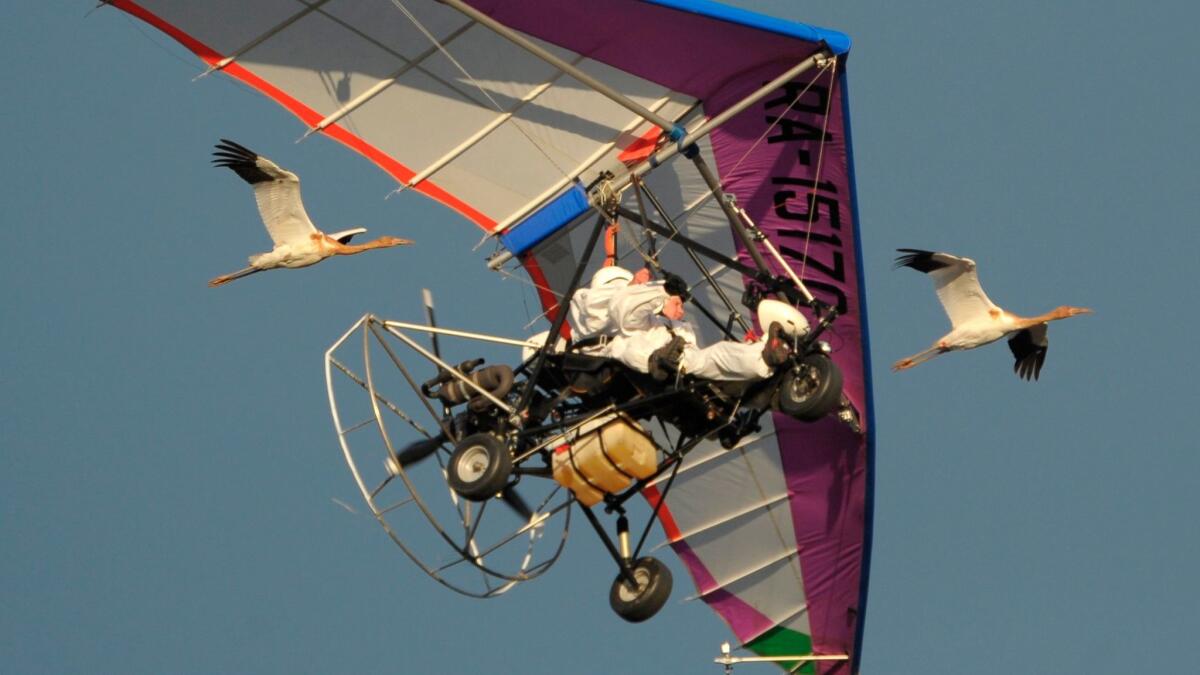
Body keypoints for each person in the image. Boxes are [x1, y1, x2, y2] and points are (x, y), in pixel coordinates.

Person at [605, 270, 791, 381]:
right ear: (663, 303)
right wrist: (661, 289)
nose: (681, 311)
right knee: (719, 352)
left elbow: (705, 359)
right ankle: (764, 356)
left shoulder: (682, 329)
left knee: (722, 354)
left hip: (687, 365)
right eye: (677, 304)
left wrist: (746, 348)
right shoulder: (647, 322)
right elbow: (626, 312)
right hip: (657, 362)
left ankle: (772, 355)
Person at [567, 265, 651, 355]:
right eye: (614, 286)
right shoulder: (585, 304)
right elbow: (593, 306)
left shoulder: (646, 319)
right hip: (595, 362)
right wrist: (630, 287)